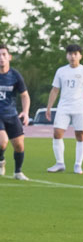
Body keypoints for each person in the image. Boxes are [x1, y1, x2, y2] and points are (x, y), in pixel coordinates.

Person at [45, 44, 83, 175]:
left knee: (80, 135)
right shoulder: (61, 71)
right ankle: (59, 163)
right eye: (70, 54)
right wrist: (49, 107)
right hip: (63, 107)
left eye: (75, 54)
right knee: (57, 133)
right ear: (66, 55)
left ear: (80, 55)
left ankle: (78, 165)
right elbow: (55, 90)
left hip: (80, 108)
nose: (72, 56)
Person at [0, 43, 31, 180]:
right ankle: (1, 161)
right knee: (2, 141)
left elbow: (24, 95)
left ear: (9, 57)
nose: (1, 58)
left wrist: (25, 112)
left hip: (11, 114)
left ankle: (18, 172)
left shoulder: (15, 75)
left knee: (19, 145)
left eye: (4, 55)